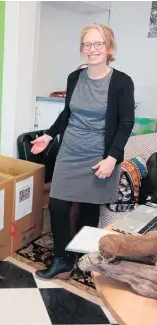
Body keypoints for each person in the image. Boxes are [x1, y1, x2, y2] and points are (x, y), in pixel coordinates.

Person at [31, 24, 135, 280]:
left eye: (98, 44)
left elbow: (126, 123)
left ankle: (81, 256)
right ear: (82, 49)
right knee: (57, 205)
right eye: (87, 44)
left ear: (109, 47)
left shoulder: (121, 81)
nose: (92, 49)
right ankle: (61, 259)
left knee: (89, 209)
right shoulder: (74, 78)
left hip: (99, 155)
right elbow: (67, 113)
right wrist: (48, 134)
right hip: (70, 151)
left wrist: (112, 158)